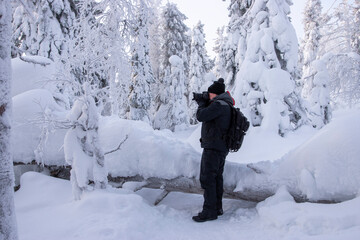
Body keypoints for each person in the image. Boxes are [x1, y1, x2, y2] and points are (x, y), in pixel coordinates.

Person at [192, 78, 233, 222]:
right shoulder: (225, 104)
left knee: (208, 179)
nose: (208, 96)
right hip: (220, 147)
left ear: (214, 94)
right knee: (216, 178)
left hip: (213, 148)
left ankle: (209, 211)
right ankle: (217, 208)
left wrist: (202, 103)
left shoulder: (218, 105)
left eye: (209, 94)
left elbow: (201, 116)